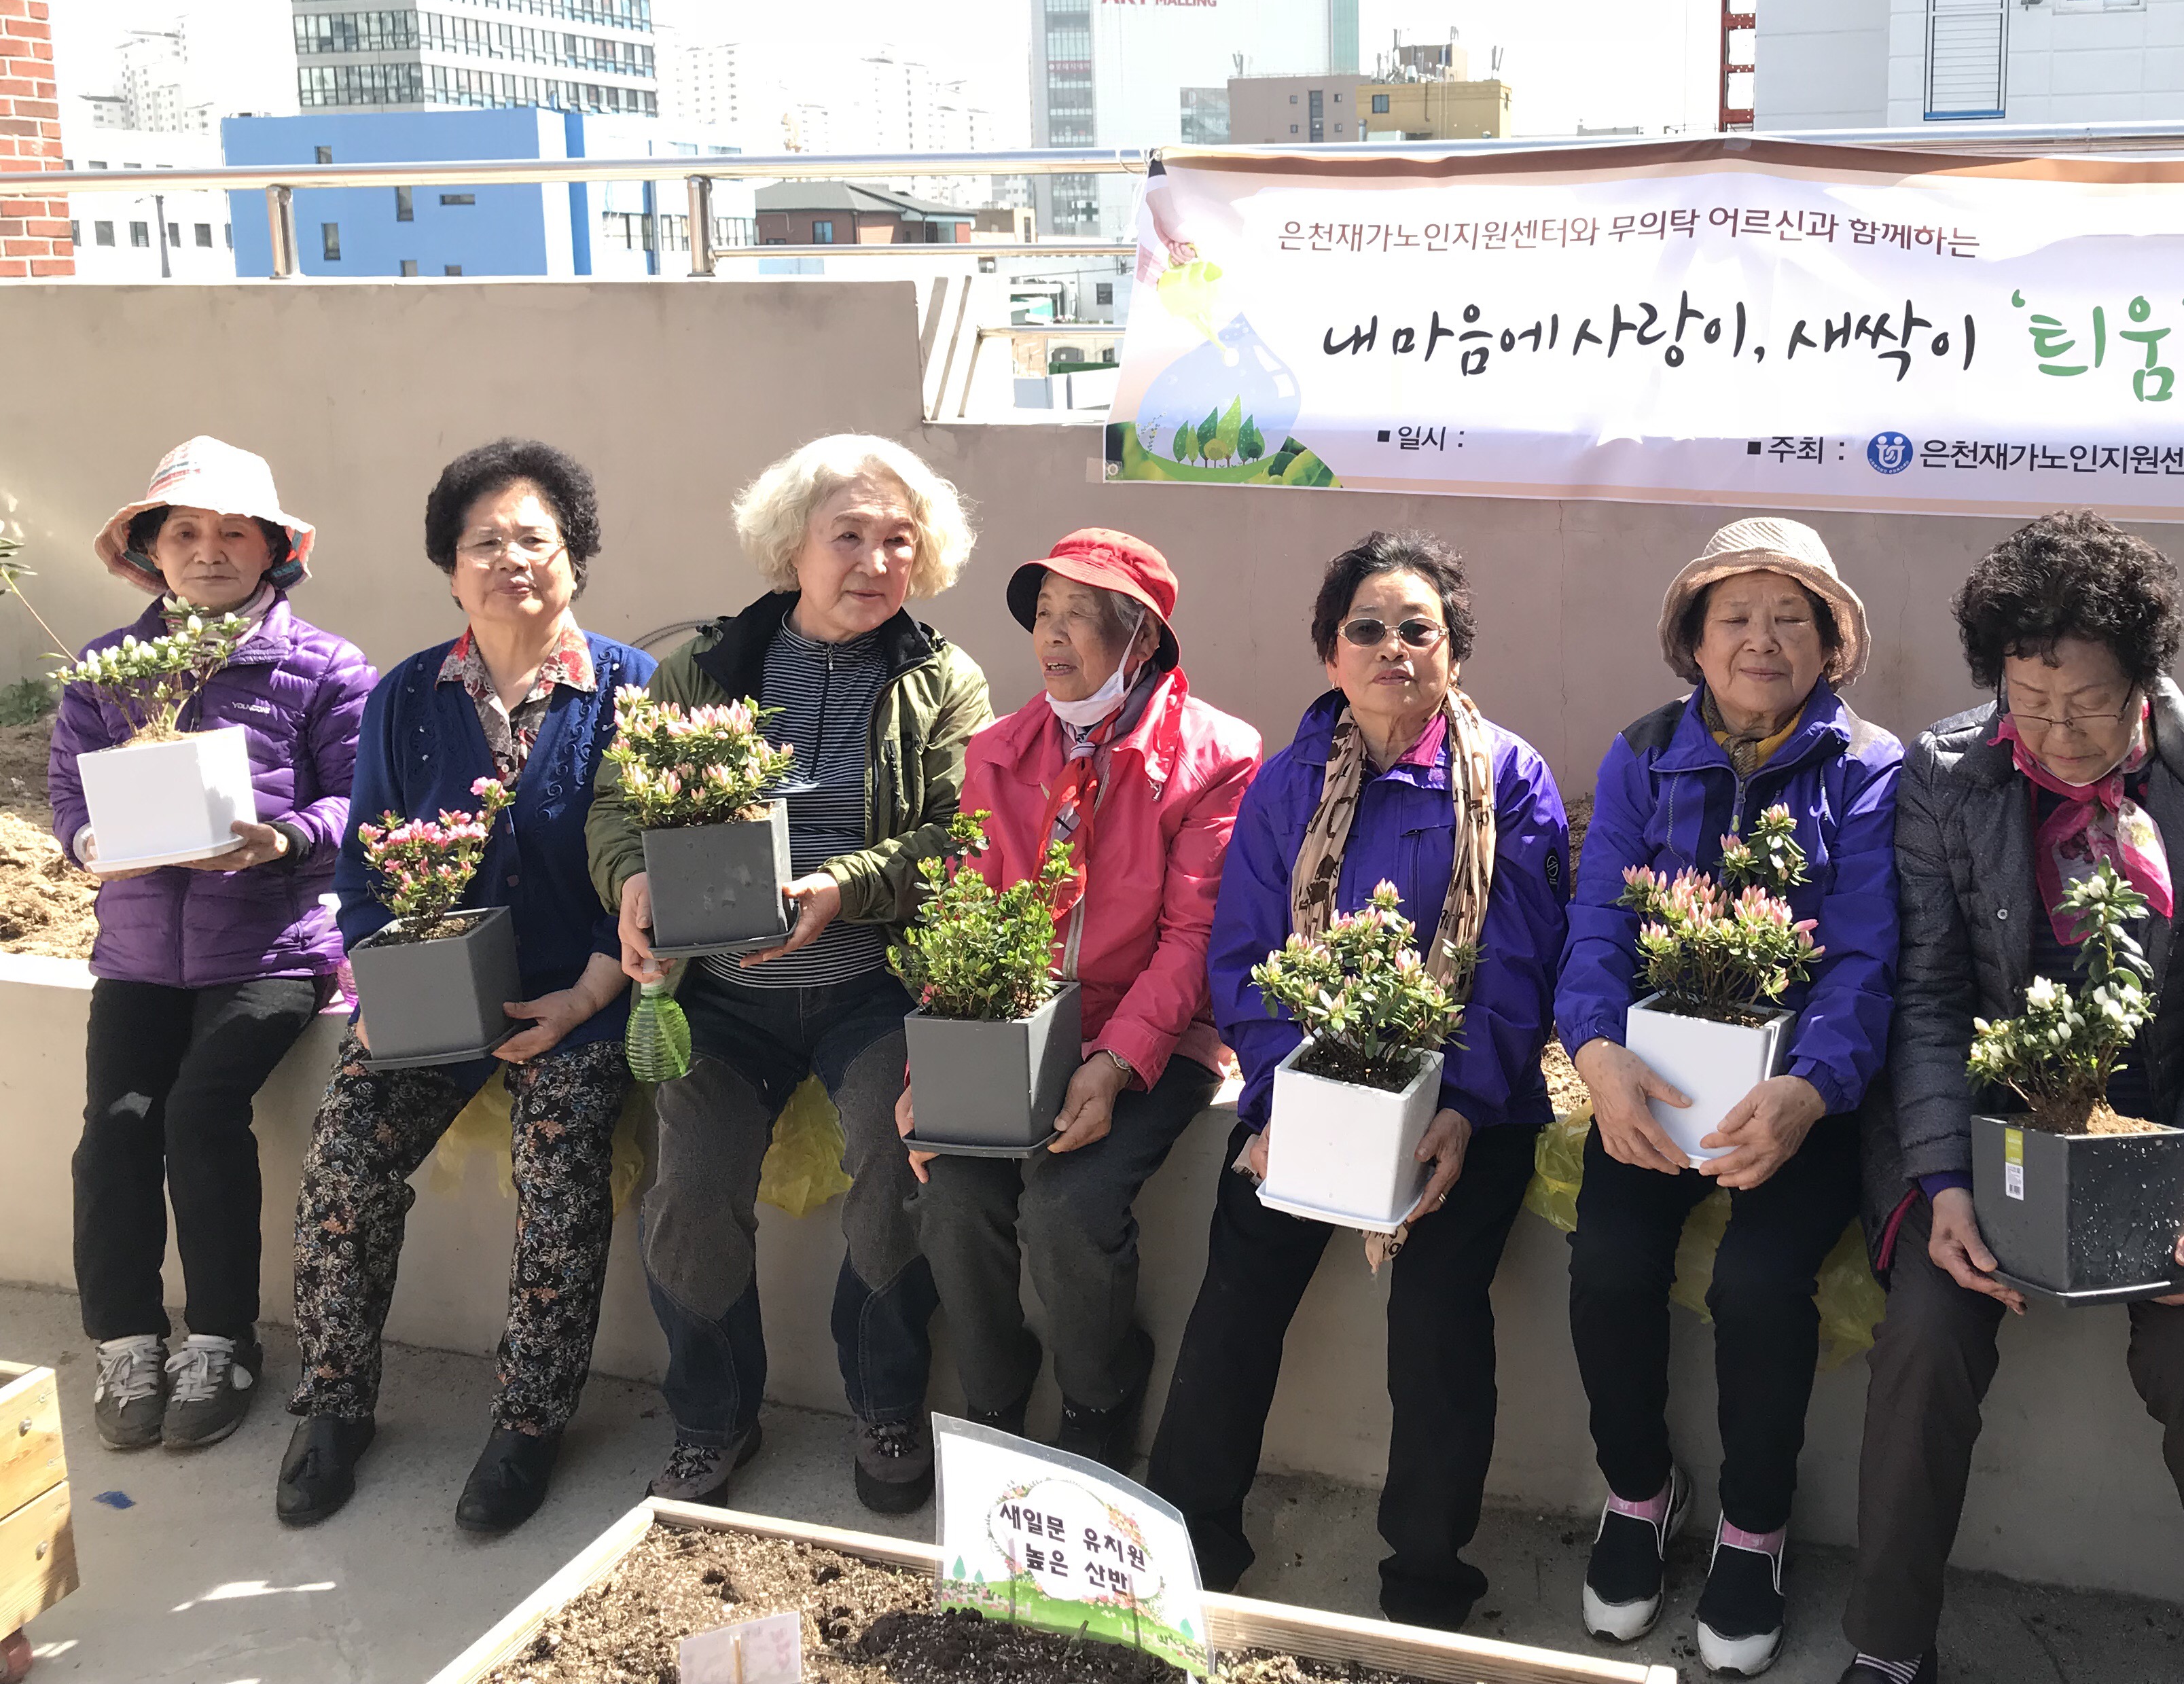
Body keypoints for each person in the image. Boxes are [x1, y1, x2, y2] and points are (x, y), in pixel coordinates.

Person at [1839, 511, 2184, 1684]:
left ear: (2145, 682)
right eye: (2028, 702)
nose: (2056, 734)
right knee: (1925, 1337)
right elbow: (1931, 994)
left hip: (2166, 1138)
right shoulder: (1948, 774)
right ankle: (1890, 1649)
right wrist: (1944, 1182)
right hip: (1990, 1133)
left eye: (2089, 704)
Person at [1147, 530, 1570, 1631]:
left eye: (1418, 630)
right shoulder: (1287, 784)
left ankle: (1425, 1585)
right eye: (1367, 629)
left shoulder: (1508, 779)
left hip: (1468, 1107)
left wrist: (1461, 1108)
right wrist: (1284, 1104)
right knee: (1238, 1285)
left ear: (1453, 651)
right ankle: (1189, 1548)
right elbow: (1246, 960)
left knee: (1436, 1316)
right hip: (1309, 1094)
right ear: (1331, 653)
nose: (1394, 649)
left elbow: (1518, 967)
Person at [596, 433, 991, 1516]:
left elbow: (960, 835)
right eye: (848, 535)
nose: (876, 561)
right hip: (720, 997)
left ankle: (886, 1401)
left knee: (896, 1171)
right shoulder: (706, 670)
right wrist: (632, 879)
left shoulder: (943, 680)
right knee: (689, 1195)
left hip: (873, 989)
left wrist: (843, 887)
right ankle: (713, 1416)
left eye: (898, 540)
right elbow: (617, 805)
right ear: (792, 548)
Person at [277, 440, 651, 1535]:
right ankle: (334, 1404)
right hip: (434, 998)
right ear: (450, 568)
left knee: (560, 1168)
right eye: (484, 542)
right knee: (346, 1156)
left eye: (535, 538)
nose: (510, 560)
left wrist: (589, 994)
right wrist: (392, 980)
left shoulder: (634, 689)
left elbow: (656, 864)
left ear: (575, 558)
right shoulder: (406, 696)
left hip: (581, 994)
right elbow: (363, 875)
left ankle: (527, 1423)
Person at [1559, 516, 1903, 1679]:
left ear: (1831, 644)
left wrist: (1811, 1087)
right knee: (1610, 1261)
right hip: (1657, 1078)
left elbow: (1866, 956)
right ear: (1695, 642)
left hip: (1804, 1100)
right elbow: (1598, 922)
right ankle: (1639, 1491)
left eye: (1792, 618)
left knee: (1760, 1283)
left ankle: (1755, 1526)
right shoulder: (1644, 753)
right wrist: (1597, 1055)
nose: (1764, 640)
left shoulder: (1870, 769)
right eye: (1737, 618)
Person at [906, 528, 1261, 1470]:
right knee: (951, 1188)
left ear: (1139, 636)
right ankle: (994, 1393)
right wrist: (932, 1070)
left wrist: (1111, 1064)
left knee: (1070, 1206)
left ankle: (1100, 1394)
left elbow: (1193, 940)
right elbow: (966, 915)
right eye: (1044, 614)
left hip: (1152, 1037)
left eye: (1080, 616)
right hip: (1011, 1030)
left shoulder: (1217, 756)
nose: (1053, 636)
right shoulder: (999, 750)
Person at [50, 437, 374, 1454]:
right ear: (150, 550)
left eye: (235, 531)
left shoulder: (326, 667)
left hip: (273, 951)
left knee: (199, 1115)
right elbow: (68, 794)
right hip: (140, 955)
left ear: (273, 548)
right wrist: (91, 842)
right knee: (114, 1130)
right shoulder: (106, 669)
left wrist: (285, 839)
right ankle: (126, 1341)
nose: (209, 550)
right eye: (184, 532)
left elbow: (363, 799)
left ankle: (222, 1342)